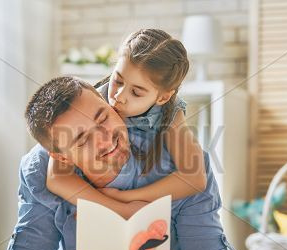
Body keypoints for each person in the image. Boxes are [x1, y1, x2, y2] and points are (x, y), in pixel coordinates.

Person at [5, 76, 240, 250]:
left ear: (111, 105)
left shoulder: (182, 164)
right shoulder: (38, 169)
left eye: (103, 118)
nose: (106, 140)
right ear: (62, 157)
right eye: (84, 139)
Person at [46, 29, 207, 220]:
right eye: (118, 80)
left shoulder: (170, 112)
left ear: (163, 97)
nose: (119, 96)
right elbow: (57, 177)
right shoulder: (93, 101)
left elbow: (195, 178)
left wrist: (127, 197)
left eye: (136, 93)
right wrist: (115, 206)